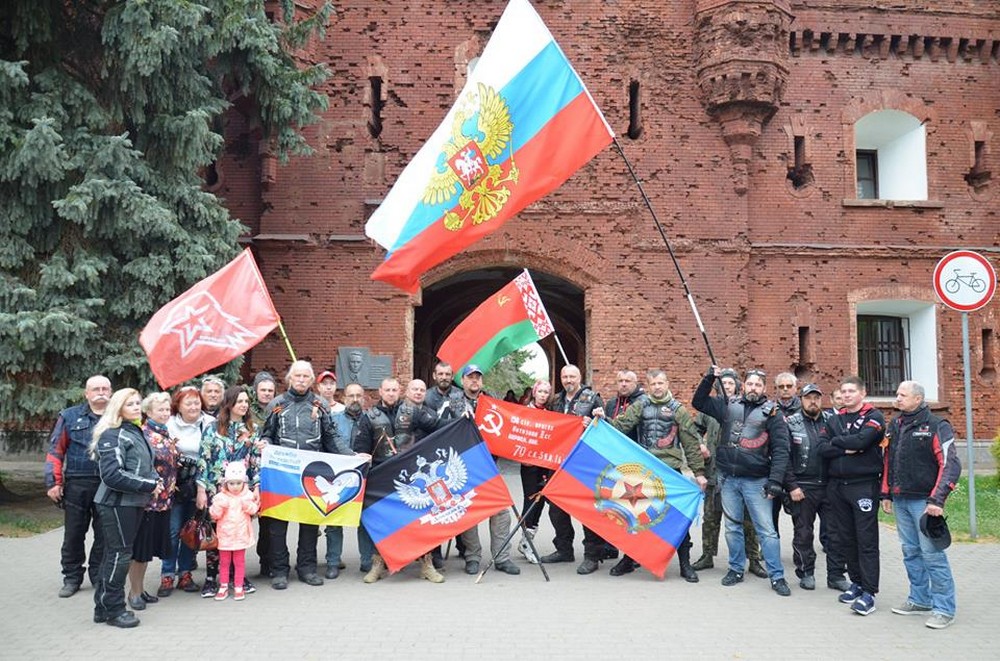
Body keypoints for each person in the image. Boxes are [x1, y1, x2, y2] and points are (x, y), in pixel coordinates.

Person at [693, 366, 792, 597]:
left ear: (764, 388)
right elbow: (699, 402)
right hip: (728, 479)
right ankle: (736, 569)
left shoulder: (773, 413)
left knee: (766, 530)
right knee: (732, 527)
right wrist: (709, 378)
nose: (753, 388)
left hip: (757, 480)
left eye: (758, 385)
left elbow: (781, 450)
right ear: (743, 385)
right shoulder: (728, 407)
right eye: (750, 384)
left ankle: (777, 576)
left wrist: (775, 481)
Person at [600, 369, 707, 581]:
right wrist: (601, 419)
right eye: (653, 384)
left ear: (667, 384)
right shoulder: (640, 406)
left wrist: (699, 473)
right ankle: (629, 559)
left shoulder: (679, 410)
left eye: (660, 383)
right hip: (645, 471)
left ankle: (685, 563)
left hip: (670, 471)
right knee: (634, 516)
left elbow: (690, 444)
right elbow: (620, 427)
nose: (657, 387)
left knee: (676, 517)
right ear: (647, 386)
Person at [260, 361, 350, 589]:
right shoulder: (276, 405)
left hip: (311, 474)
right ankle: (279, 570)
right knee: (278, 526)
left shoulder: (320, 406)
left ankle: (307, 568)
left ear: (311, 381)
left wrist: (353, 456)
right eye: (297, 376)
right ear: (290, 379)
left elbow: (332, 438)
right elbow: (267, 434)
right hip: (282, 474)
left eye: (305, 377)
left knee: (309, 524)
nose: (301, 380)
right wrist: (264, 443)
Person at [882, 380, 960, 629]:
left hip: (925, 503)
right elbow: (888, 460)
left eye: (902, 395)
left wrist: (937, 499)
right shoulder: (895, 424)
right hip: (901, 498)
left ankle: (944, 609)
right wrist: (885, 493)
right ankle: (919, 599)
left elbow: (950, 464)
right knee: (910, 552)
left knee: (932, 555)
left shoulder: (937, 425)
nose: (897, 398)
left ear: (918, 399)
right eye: (897, 394)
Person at [353, 377, 445, 583]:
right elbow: (360, 445)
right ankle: (378, 563)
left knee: (419, 520)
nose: (392, 393)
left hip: (409, 477)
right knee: (381, 522)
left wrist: (462, 420)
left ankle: (426, 564)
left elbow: (438, 426)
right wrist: (360, 454)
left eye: (395, 389)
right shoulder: (369, 417)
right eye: (388, 390)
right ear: (380, 391)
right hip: (380, 477)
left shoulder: (413, 412)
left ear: (400, 391)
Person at [90, 388, 164, 628]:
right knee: (119, 555)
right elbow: (112, 475)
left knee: (115, 555)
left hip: (133, 504)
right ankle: (113, 609)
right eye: (129, 403)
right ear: (118, 407)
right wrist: (149, 484)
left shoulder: (135, 431)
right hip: (115, 504)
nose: (135, 406)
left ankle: (103, 607)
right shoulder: (112, 434)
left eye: (137, 403)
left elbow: (144, 465)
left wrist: (154, 480)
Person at [691, 368, 767, 577]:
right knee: (711, 517)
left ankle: (753, 558)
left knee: (747, 519)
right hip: (714, 471)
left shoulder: (744, 410)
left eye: (730, 384)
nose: (727, 387)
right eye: (723, 384)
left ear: (737, 387)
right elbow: (694, 429)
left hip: (739, 472)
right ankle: (707, 555)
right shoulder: (710, 409)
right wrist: (700, 445)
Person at [820, 375, 886, 616]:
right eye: (843, 392)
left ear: (862, 393)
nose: (846, 395)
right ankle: (856, 583)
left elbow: (864, 440)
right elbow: (821, 448)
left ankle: (870, 592)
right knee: (846, 538)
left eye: (851, 391)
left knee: (866, 540)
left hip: (863, 486)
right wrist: (847, 446)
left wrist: (840, 444)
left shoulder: (874, 417)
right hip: (837, 487)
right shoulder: (835, 419)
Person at [542, 364, 613, 574]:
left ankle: (593, 555)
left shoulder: (592, 398)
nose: (568, 380)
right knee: (556, 508)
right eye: (565, 377)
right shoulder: (555, 400)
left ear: (579, 377)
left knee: (587, 509)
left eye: (572, 376)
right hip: (561, 461)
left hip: (585, 462)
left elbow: (604, 427)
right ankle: (564, 549)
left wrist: (593, 423)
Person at [45, 375, 111, 598]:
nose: (101, 392)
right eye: (96, 389)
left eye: (105, 388)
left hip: (108, 484)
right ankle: (71, 578)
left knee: (104, 534)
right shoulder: (70, 416)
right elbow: (56, 450)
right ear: (87, 393)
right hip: (77, 483)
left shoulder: (117, 416)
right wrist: (54, 482)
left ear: (110, 392)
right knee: (74, 534)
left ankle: (98, 575)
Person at [455, 365, 521, 577]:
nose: (474, 380)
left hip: (489, 465)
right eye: (470, 377)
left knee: (501, 512)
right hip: (464, 465)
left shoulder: (492, 400)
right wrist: (459, 418)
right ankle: (472, 556)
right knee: (470, 511)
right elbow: (442, 426)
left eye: (477, 377)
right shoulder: (455, 402)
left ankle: (501, 557)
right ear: (463, 380)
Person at [196, 386, 261, 597]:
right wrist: (201, 489)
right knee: (217, 535)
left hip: (242, 493)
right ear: (229, 403)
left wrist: (256, 488)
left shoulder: (252, 429)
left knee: (237, 534)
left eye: (246, 401)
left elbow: (254, 462)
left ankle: (237, 576)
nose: (243, 405)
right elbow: (203, 460)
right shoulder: (213, 428)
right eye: (239, 401)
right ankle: (211, 578)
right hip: (218, 491)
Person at [783, 384, 849, 591]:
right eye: (808, 397)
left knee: (836, 533)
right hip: (803, 486)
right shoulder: (790, 423)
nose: (813, 401)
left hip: (830, 485)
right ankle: (806, 572)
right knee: (803, 533)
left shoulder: (833, 421)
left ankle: (837, 575)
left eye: (817, 397)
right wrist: (792, 485)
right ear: (801, 399)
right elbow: (783, 457)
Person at [160, 385, 214, 596]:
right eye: (188, 403)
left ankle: (185, 574)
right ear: (178, 406)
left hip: (198, 486)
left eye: (196, 402)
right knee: (172, 531)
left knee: (190, 530)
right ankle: (167, 574)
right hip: (175, 486)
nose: (193, 406)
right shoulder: (169, 424)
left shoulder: (209, 424)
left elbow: (210, 456)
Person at [127, 392, 178, 613]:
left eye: (168, 409)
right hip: (147, 502)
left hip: (163, 501)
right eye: (160, 409)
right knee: (139, 550)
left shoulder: (164, 433)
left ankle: (140, 589)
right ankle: (134, 592)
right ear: (149, 412)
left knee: (147, 551)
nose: (165, 413)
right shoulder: (145, 434)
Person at [325, 383, 367, 578]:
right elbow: (328, 444)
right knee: (334, 521)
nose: (355, 399)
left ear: (364, 398)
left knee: (364, 520)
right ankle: (333, 561)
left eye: (359, 395)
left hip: (364, 477)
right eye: (351, 396)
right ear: (344, 398)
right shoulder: (333, 420)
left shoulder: (371, 419)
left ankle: (367, 561)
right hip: (338, 477)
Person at [209, 462, 260, 601]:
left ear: (243, 482)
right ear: (226, 483)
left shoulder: (247, 496)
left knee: (239, 562)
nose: (235, 487)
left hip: (240, 535)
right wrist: (218, 508)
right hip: (225, 536)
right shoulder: (220, 497)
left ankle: (239, 586)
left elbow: (254, 510)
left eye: (238, 483)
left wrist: (248, 505)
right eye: (232, 483)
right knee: (224, 562)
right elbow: (214, 515)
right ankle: (223, 586)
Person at [517, 379, 552, 564]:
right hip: (529, 465)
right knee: (531, 501)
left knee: (541, 500)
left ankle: (526, 541)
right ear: (535, 392)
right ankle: (526, 542)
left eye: (547, 392)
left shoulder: (549, 414)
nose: (544, 395)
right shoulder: (525, 411)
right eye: (541, 392)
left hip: (544, 464)